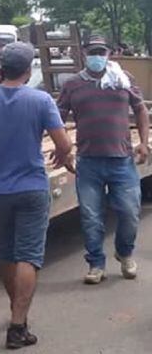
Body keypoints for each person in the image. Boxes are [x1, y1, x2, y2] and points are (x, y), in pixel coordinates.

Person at [0, 42, 73, 350]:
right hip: (30, 187)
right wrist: (60, 153)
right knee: (28, 255)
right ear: (29, 71)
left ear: (1, 69)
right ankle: (18, 325)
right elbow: (65, 143)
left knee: (7, 253)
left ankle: (15, 311)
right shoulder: (41, 100)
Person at [57, 35, 150, 285]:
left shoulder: (122, 79)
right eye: (93, 51)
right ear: (85, 54)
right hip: (88, 162)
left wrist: (143, 141)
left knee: (130, 212)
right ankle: (96, 263)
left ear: (109, 53)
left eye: (102, 51)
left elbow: (141, 108)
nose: (98, 56)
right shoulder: (73, 84)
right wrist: (64, 149)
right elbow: (58, 117)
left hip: (122, 160)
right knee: (90, 217)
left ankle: (125, 252)